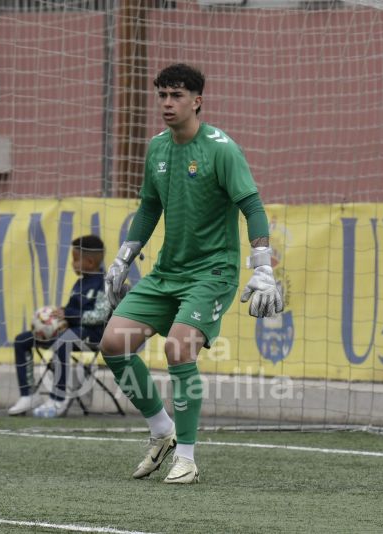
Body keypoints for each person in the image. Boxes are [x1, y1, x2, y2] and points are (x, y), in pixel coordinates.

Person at [99, 63, 283, 484]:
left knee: (179, 350)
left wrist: (263, 266)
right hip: (167, 271)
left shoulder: (221, 149)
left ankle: (186, 457)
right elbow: (149, 208)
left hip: (212, 273)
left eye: (177, 95)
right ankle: (161, 430)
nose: (167, 103)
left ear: (197, 101)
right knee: (113, 342)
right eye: (162, 94)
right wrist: (124, 257)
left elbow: (251, 206)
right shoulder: (157, 148)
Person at [7, 235, 110, 418]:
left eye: (75, 259)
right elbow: (70, 311)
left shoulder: (104, 284)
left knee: (64, 340)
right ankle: (28, 394)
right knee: (22, 339)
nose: (72, 263)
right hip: (71, 331)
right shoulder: (79, 283)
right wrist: (55, 316)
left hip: (93, 335)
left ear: (90, 261)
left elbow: (100, 316)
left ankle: (58, 398)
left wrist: (68, 315)